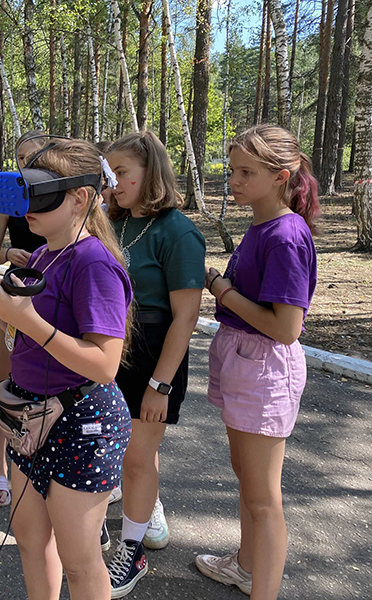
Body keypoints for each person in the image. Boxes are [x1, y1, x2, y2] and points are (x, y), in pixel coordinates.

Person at [0, 138, 133, 600]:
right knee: (31, 539)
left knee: (79, 560)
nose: (27, 209)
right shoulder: (42, 255)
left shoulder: (94, 263)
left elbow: (104, 365)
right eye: (25, 194)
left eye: (42, 195)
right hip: (32, 417)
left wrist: (26, 321)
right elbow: (28, 335)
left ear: (80, 197)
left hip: (83, 423)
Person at [198, 124, 318, 599]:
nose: (234, 181)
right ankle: (246, 568)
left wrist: (222, 290)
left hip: (264, 365)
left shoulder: (285, 235)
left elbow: (286, 328)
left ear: (280, 176)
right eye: (233, 170)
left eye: (246, 172)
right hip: (243, 358)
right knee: (248, 479)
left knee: (264, 498)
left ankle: (262, 588)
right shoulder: (261, 225)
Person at [103, 131, 206, 598]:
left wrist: (160, 385)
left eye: (122, 172)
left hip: (152, 356)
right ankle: (105, 527)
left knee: (138, 458)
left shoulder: (177, 232)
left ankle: (133, 548)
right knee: (108, 449)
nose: (113, 181)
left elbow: (185, 317)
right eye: (109, 173)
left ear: (151, 173)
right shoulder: (112, 222)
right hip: (108, 349)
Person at [0, 130, 47, 508]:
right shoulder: (7, 194)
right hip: (16, 294)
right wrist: (8, 253)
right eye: (22, 157)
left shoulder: (60, 195)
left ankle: (42, 459)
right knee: (6, 381)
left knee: (52, 382)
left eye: (35, 156)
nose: (28, 163)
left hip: (54, 295)